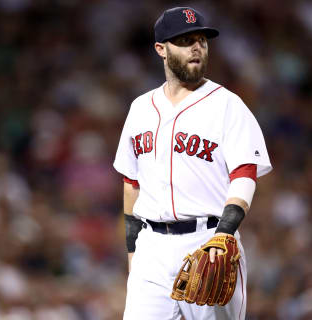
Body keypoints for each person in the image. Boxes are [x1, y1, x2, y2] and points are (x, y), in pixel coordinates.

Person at [113, 6, 272, 320]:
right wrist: (134, 253)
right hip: (151, 248)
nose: (196, 46)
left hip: (209, 240)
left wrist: (224, 232)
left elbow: (244, 174)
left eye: (201, 39)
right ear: (161, 49)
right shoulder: (140, 108)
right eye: (185, 40)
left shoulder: (228, 105)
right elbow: (131, 184)